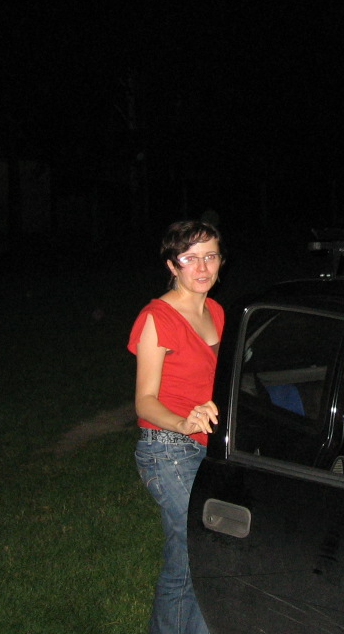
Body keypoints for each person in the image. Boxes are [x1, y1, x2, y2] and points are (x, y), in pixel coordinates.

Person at [129, 220, 224, 634]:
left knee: (188, 558)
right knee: (199, 550)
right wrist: (183, 423)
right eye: (190, 258)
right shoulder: (157, 318)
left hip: (208, 445)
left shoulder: (216, 312)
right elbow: (145, 400)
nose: (202, 267)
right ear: (172, 265)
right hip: (167, 448)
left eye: (210, 256)